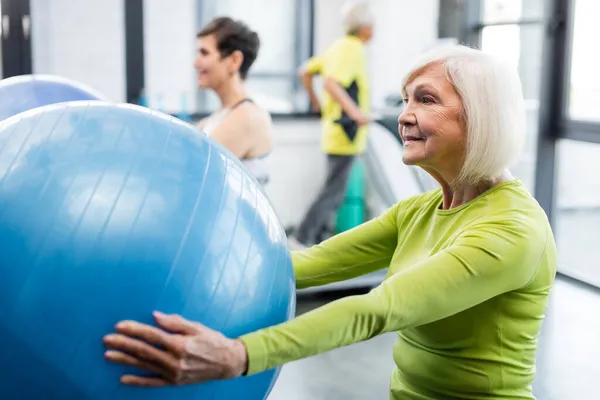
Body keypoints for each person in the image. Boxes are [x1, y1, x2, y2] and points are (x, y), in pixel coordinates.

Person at [102, 45, 557, 399]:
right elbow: (298, 265)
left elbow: (378, 309)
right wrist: (178, 267)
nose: (404, 116)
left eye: (426, 99)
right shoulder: (419, 212)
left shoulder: (512, 231)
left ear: (481, 116)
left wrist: (239, 355)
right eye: (405, 100)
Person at [287, 0, 374, 249]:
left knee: (335, 191)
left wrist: (317, 104)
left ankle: (313, 237)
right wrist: (356, 113)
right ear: (364, 27)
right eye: (373, 24)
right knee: (333, 192)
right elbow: (331, 83)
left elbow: (305, 72)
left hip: (336, 132)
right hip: (345, 133)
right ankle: (302, 238)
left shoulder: (337, 48)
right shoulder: (352, 49)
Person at [194, 17, 273, 186]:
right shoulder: (218, 118)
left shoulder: (248, 117)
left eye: (204, 53)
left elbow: (193, 172)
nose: (196, 63)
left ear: (235, 60)